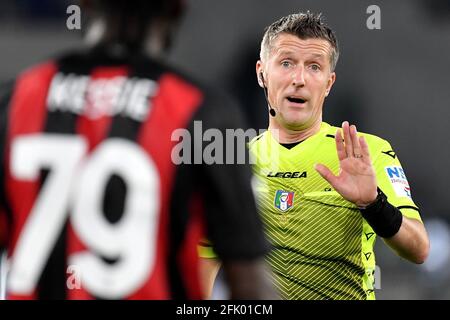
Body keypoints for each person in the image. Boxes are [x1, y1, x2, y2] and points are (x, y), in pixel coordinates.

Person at [0, 0, 276, 300]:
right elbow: (248, 284)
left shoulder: (15, 102)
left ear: (82, 4)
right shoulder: (206, 114)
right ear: (177, 10)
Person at [200, 11, 430, 300]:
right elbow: (203, 268)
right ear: (262, 74)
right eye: (286, 63)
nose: (299, 79)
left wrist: (373, 204)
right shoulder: (234, 162)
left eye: (314, 67)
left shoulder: (366, 152)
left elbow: (419, 249)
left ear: (329, 83)